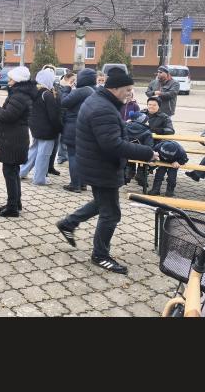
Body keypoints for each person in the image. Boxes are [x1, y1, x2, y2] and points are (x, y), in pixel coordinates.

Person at [56, 68, 157, 275]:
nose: (130, 93)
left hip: (96, 164)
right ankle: (100, 255)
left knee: (101, 202)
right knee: (111, 214)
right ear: (115, 88)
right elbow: (113, 145)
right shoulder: (103, 108)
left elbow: (111, 137)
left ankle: (68, 223)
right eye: (127, 90)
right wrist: (147, 153)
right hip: (102, 167)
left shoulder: (101, 101)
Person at [0, 66, 36, 217]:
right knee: (13, 171)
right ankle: (15, 203)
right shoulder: (22, 93)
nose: (8, 81)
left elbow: (7, 116)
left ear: (18, 80)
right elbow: (10, 113)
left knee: (10, 172)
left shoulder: (19, 95)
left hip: (13, 139)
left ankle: (12, 207)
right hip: (16, 137)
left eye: (11, 78)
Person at [19, 69, 62, 186]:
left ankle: (21, 172)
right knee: (44, 154)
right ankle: (39, 178)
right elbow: (53, 116)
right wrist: (60, 128)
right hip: (47, 130)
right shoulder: (47, 94)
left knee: (33, 151)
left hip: (35, 127)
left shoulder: (33, 92)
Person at [60, 68, 96, 192]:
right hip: (86, 127)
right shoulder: (94, 90)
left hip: (74, 127)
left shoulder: (81, 91)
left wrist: (66, 88)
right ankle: (83, 183)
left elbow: (64, 102)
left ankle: (75, 184)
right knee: (83, 157)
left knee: (73, 156)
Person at [123, 112, 155, 186]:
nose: (148, 122)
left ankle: (128, 173)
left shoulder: (126, 126)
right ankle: (141, 174)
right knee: (146, 155)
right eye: (146, 121)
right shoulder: (147, 131)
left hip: (126, 153)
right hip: (141, 155)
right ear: (142, 121)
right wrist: (152, 159)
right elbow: (149, 147)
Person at [56, 71, 76, 165]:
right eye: (72, 80)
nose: (74, 82)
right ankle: (61, 157)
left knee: (64, 138)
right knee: (60, 138)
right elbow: (62, 101)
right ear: (67, 79)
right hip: (60, 115)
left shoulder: (71, 88)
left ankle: (63, 156)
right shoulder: (59, 88)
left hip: (66, 115)